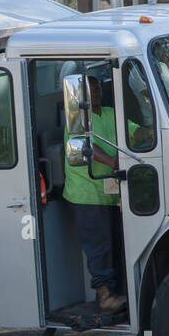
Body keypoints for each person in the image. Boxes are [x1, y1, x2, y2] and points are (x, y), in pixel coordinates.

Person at [63, 70, 127, 315]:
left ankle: (118, 291)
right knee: (99, 247)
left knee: (115, 244)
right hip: (86, 193)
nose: (96, 92)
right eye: (90, 89)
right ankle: (105, 298)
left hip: (112, 192)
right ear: (80, 95)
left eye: (98, 87)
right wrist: (112, 160)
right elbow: (83, 144)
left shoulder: (111, 114)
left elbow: (135, 131)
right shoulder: (76, 117)